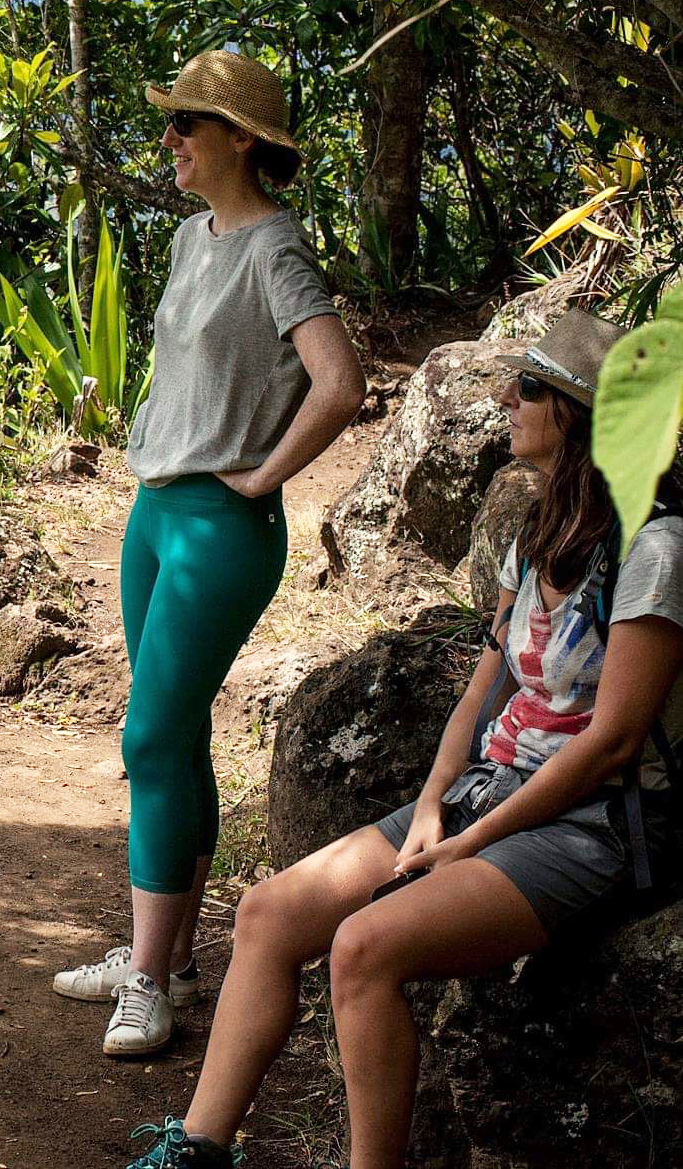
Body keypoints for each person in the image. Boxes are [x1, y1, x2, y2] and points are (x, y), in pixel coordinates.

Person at [122, 308, 683, 1168]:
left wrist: (473, 841)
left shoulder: (656, 550)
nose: (505, 399)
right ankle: (195, 1151)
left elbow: (611, 744)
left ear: (580, 418)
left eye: (528, 387)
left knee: (363, 947)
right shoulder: (543, 526)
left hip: (594, 821)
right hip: (491, 790)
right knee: (268, 914)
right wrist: (431, 807)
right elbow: (482, 692)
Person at [52, 50, 365, 1057]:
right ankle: (170, 958)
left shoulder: (277, 249)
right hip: (155, 513)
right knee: (177, 738)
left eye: (188, 122)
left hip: (220, 529)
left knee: (147, 740)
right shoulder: (195, 237)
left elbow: (340, 382)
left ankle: (147, 984)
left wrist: (264, 476)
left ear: (240, 138)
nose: (171, 138)